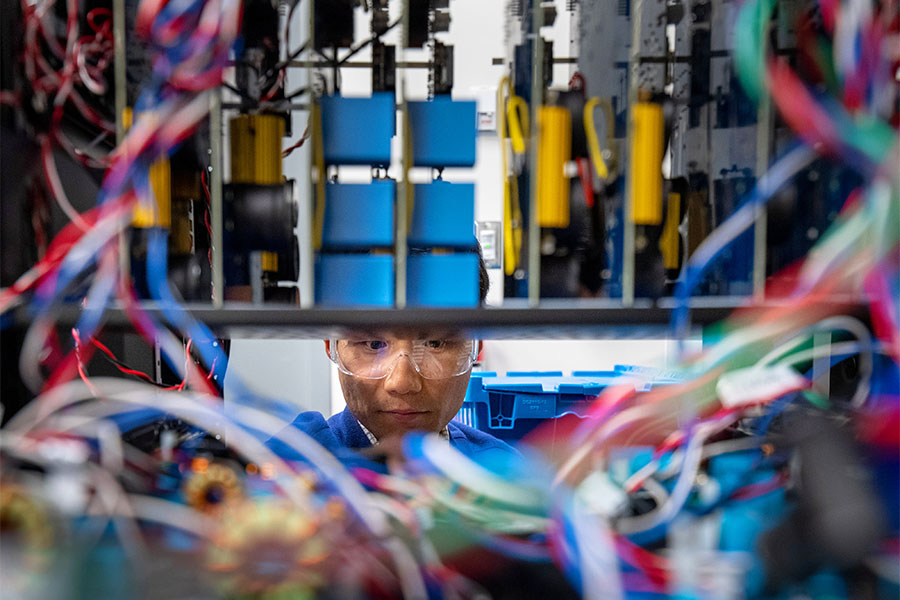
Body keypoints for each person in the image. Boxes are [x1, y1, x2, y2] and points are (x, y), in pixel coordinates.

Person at [267, 247, 517, 464]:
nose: (402, 383)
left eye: (435, 343)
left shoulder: (502, 475)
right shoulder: (284, 470)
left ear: (475, 346)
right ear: (330, 345)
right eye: (374, 344)